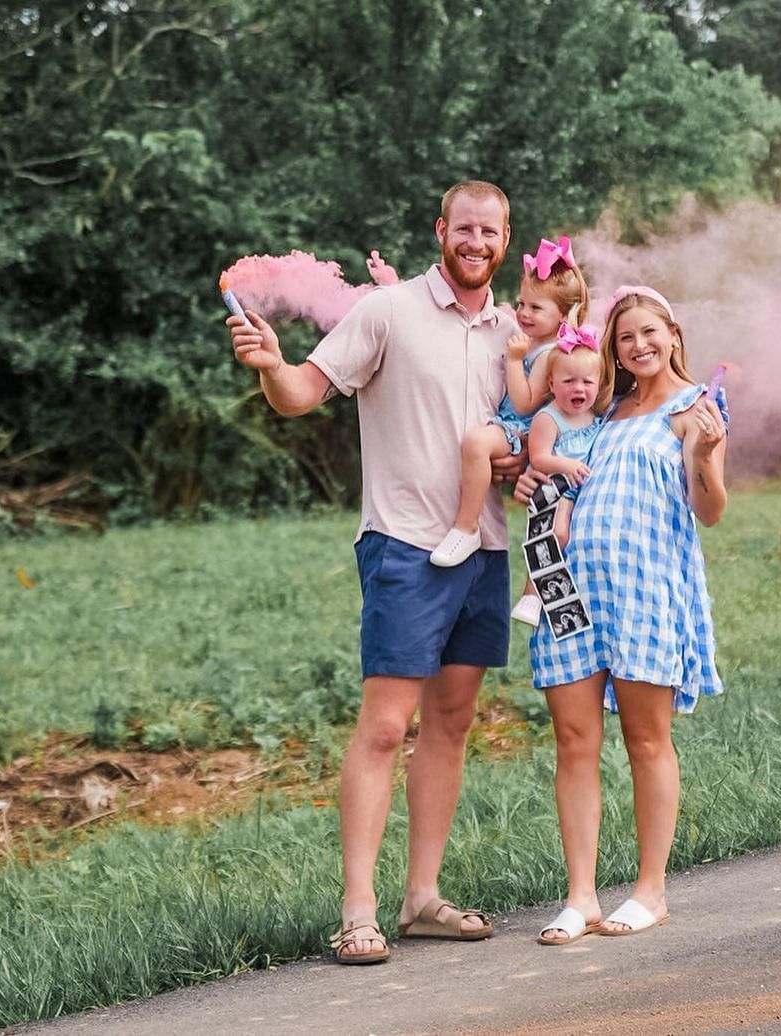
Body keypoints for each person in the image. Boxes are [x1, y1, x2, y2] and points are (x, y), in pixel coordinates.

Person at [226, 181, 525, 965]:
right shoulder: (387, 313)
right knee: (388, 726)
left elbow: (519, 434)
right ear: (441, 231)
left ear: (505, 239)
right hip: (403, 545)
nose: (475, 242)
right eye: (464, 228)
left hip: (485, 548)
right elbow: (302, 395)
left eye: (489, 231)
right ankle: (358, 912)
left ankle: (422, 899)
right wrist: (271, 364)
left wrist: (522, 466)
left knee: (453, 723)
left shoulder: (513, 332)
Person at [516, 285, 729, 946]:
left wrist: (700, 455)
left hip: (643, 588)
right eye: (625, 337)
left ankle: (649, 891)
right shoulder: (601, 410)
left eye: (648, 333)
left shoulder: (697, 409)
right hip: (570, 589)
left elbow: (711, 510)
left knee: (645, 739)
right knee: (575, 742)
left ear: (672, 333)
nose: (638, 346)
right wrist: (531, 479)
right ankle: (580, 897)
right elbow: (552, 466)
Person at [429, 237, 590, 625]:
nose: (523, 312)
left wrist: (516, 361)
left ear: (565, 315)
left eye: (536, 307)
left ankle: (466, 528)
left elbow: (523, 401)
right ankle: (535, 595)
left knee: (476, 443)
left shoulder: (550, 352)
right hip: (520, 430)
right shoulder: (538, 342)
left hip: (520, 428)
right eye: (521, 303)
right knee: (548, 521)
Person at [515, 321, 603, 623]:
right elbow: (539, 458)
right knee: (557, 532)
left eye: (587, 382)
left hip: (580, 491)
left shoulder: (595, 416)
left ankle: (563, 609)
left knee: (571, 537)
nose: (578, 388)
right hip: (557, 487)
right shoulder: (548, 418)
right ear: (552, 384)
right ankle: (530, 594)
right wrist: (566, 465)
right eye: (568, 382)